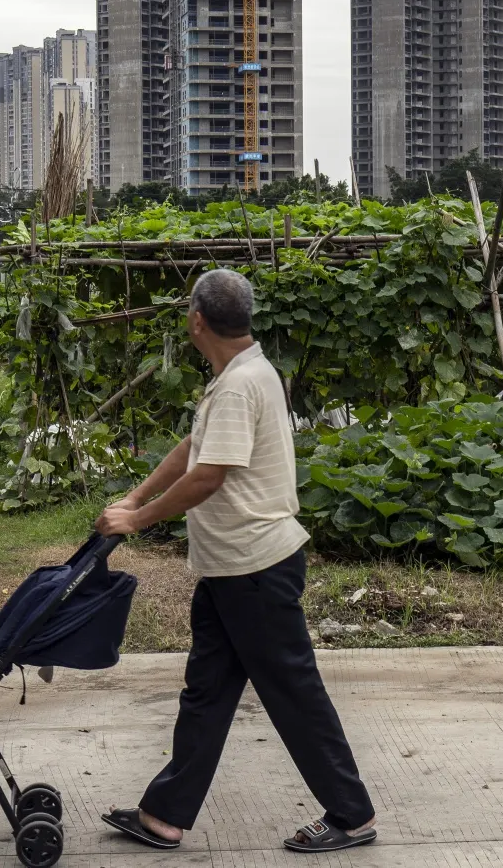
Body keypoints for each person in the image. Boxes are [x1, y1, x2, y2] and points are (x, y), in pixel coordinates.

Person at [98, 268, 377, 854]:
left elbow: (208, 476)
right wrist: (134, 497)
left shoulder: (238, 384)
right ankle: (165, 815)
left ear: (197, 319)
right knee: (207, 689)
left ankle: (351, 816)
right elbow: (193, 450)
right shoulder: (245, 372)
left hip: (256, 570)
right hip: (231, 570)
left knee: (293, 693)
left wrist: (139, 521)